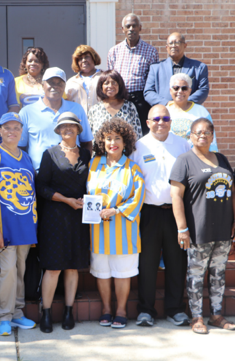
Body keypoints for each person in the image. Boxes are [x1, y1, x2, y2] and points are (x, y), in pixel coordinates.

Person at [170, 118, 235, 335]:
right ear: (190, 136)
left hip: (223, 228)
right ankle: (197, 316)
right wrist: (182, 228)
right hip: (198, 229)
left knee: (218, 273)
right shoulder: (184, 160)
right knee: (196, 274)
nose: (202, 135)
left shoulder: (221, 159)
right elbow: (176, 195)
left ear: (212, 136)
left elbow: (232, 193)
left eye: (207, 132)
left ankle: (217, 315)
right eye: (198, 132)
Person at [130, 105, 191, 327]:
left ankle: (175, 309)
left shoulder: (182, 144)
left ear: (170, 121)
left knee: (177, 261)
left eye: (165, 118)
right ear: (148, 122)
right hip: (148, 212)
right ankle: (146, 310)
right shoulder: (138, 146)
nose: (161, 122)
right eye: (156, 118)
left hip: (177, 213)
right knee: (147, 263)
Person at [0, 113, 38, 337]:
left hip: (25, 225)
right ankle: (4, 316)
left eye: (16, 127)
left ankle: (17, 313)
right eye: (7, 127)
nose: (12, 131)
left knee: (20, 271)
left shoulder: (26, 157)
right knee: (7, 272)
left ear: (21, 131)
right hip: (4, 227)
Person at [87, 118, 145, 329]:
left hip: (124, 229)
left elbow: (137, 199)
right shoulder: (93, 164)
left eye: (118, 138)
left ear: (125, 141)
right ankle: (106, 309)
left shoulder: (133, 168)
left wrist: (116, 210)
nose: (113, 143)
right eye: (109, 138)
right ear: (102, 141)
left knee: (122, 272)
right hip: (98, 230)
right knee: (102, 271)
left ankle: (120, 310)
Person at [36, 113, 91, 333]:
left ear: (78, 129)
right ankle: (46, 313)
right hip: (55, 217)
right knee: (53, 267)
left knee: (72, 267)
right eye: (63, 126)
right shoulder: (49, 154)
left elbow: (93, 183)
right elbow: (41, 188)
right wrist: (66, 199)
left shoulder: (87, 155)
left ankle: (69, 311)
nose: (67, 128)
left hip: (79, 217)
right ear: (58, 130)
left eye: (72, 125)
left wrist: (87, 199)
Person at [18, 67, 93, 171]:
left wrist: (82, 167)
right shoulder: (26, 112)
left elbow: (87, 143)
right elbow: (20, 148)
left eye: (60, 83)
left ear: (64, 86)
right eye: (51, 82)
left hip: (72, 174)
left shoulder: (76, 109)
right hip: (38, 174)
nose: (55, 86)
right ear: (42, 85)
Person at [107, 14, 159, 136]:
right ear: (122, 29)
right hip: (120, 99)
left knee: (142, 134)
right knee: (120, 133)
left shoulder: (150, 51)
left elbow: (153, 80)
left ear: (140, 28)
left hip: (141, 100)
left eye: (134, 26)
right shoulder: (114, 51)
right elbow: (110, 78)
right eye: (128, 26)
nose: (131, 29)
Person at [144, 32, 209, 107]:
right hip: (164, 112)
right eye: (170, 43)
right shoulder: (155, 68)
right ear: (166, 47)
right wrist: (167, 103)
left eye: (177, 42)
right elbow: (148, 92)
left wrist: (184, 103)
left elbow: (203, 90)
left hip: (189, 112)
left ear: (185, 45)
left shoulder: (199, 67)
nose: (173, 46)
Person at [166, 73, 218, 152]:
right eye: (176, 88)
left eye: (184, 88)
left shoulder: (201, 112)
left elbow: (211, 138)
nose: (180, 91)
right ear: (170, 90)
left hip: (195, 158)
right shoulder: (165, 112)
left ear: (190, 91)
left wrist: (213, 156)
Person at [87, 70, 143, 140]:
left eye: (114, 83)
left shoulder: (129, 106)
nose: (110, 86)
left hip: (126, 150)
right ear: (101, 86)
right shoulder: (94, 109)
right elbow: (89, 137)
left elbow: (137, 133)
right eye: (106, 83)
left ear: (120, 85)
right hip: (100, 150)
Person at [65, 45, 102, 113]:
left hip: (99, 120)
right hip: (78, 121)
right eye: (80, 58)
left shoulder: (104, 77)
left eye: (86, 57)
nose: (84, 60)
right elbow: (65, 103)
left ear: (93, 58)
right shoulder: (71, 82)